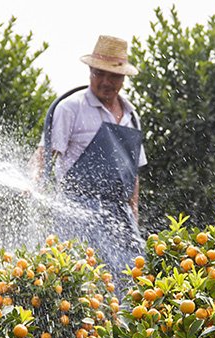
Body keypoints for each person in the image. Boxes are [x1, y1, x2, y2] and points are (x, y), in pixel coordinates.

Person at [32, 35, 147, 291]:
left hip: (118, 214)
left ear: (123, 78)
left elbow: (132, 174)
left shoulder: (132, 117)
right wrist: (33, 187)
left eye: (113, 76)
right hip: (77, 208)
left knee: (131, 280)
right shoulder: (71, 108)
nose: (105, 81)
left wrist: (134, 215)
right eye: (99, 74)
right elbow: (43, 155)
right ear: (90, 72)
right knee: (83, 284)